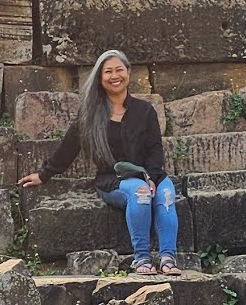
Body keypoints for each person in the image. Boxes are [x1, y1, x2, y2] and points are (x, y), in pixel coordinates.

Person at [17, 49, 181, 276]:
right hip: (115, 180)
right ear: (100, 78)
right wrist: (44, 174)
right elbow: (68, 147)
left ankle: (168, 258)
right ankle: (142, 258)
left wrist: (153, 178)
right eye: (108, 72)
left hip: (149, 174)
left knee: (165, 195)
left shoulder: (145, 111)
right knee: (141, 192)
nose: (115, 76)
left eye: (119, 70)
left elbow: (155, 150)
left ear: (129, 73)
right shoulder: (90, 114)